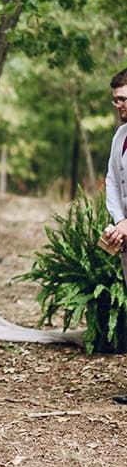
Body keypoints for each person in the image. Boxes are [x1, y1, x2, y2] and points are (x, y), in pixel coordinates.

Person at [104, 67, 127, 405]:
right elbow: (111, 180)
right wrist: (119, 220)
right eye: (116, 101)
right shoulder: (119, 136)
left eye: (123, 99)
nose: (119, 106)